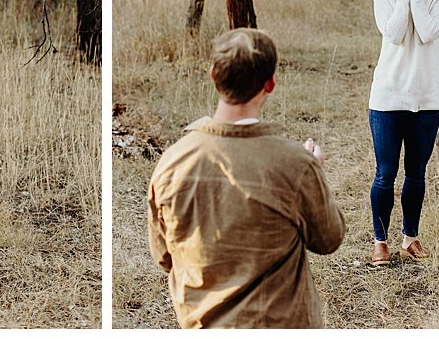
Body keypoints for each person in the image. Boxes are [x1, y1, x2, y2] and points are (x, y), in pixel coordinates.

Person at [147, 28, 345, 329]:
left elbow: (163, 257)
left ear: (213, 75)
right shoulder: (296, 164)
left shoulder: (173, 162)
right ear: (270, 84)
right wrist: (314, 171)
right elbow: (328, 239)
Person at [368, 0, 439, 267]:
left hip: (427, 98)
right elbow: (394, 33)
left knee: (416, 173)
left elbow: (429, 31)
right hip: (387, 97)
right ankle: (380, 241)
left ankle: (410, 238)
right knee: (385, 173)